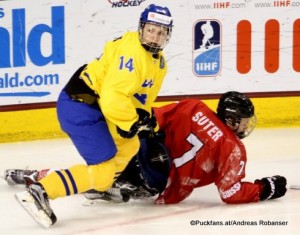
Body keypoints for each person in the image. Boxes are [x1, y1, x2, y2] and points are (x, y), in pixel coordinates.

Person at [10, 4, 173, 228]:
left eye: (161, 32)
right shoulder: (133, 54)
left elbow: (134, 97)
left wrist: (144, 116)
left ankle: (102, 184)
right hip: (80, 106)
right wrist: (133, 121)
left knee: (130, 144)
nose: (155, 37)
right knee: (104, 169)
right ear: (141, 28)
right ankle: (41, 190)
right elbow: (112, 99)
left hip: (95, 107)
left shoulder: (158, 61)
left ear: (168, 34)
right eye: (151, 30)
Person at [6, 92, 287, 206]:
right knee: (103, 182)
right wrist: (266, 188)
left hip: (141, 154)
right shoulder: (234, 149)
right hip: (159, 182)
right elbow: (231, 193)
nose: (246, 127)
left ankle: (35, 176)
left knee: (97, 175)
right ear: (231, 119)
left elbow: (152, 120)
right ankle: (120, 187)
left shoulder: (194, 106)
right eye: (244, 122)